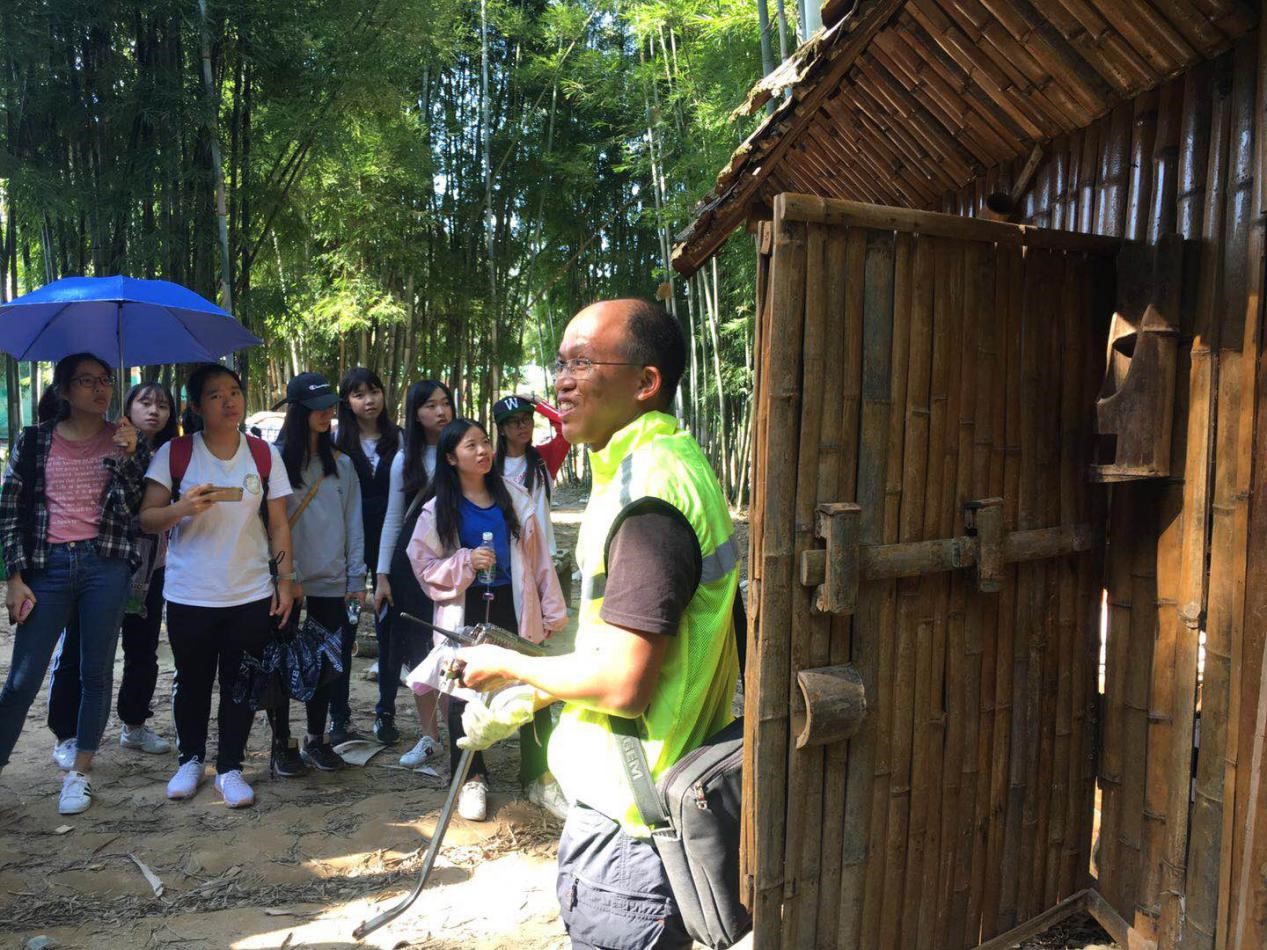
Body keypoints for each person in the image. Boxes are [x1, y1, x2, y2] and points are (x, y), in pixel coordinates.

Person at [452, 299, 741, 948]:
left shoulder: (647, 495)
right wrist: (539, 687)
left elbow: (623, 684)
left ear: (645, 381)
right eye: (561, 363)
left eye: (582, 363)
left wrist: (511, 665)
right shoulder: (675, 461)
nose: (561, 382)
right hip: (661, 792)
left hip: (630, 823)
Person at [139, 363, 296, 809]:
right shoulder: (175, 453)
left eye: (234, 392)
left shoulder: (263, 454)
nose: (229, 401)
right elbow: (147, 518)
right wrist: (181, 508)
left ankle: (229, 767)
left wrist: (286, 581)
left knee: (239, 682)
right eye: (215, 395)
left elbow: (279, 524)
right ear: (195, 405)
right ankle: (190, 760)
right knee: (192, 680)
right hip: (190, 591)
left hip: (249, 590)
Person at [0, 353, 150, 815]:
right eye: (86, 381)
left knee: (96, 673)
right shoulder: (34, 440)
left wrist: (130, 457)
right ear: (64, 390)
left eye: (104, 379)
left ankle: (80, 774)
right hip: (47, 568)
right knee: (22, 679)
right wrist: (14, 578)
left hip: (105, 566)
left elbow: (135, 510)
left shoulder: (126, 439)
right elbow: (10, 510)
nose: (99, 389)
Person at [407, 418, 567, 821]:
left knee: (533, 687)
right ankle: (471, 776)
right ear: (451, 458)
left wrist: (551, 608)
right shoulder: (438, 509)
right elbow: (423, 565)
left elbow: (539, 559)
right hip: (467, 609)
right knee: (463, 690)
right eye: (470, 446)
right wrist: (465, 562)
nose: (482, 452)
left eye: (483, 443)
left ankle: (538, 775)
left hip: (515, 605)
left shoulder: (514, 497)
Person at [47, 381, 180, 768]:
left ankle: (134, 724)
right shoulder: (105, 444)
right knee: (80, 647)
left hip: (151, 566)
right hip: (100, 563)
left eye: (162, 405)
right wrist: (127, 456)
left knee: (142, 649)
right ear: (128, 407)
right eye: (145, 402)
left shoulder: (171, 454)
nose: (154, 410)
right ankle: (67, 733)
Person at [268, 372, 366, 774]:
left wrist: (356, 578)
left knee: (326, 663)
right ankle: (281, 743)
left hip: (331, 580)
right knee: (279, 662)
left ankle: (317, 738)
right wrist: (282, 577)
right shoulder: (272, 460)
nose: (327, 414)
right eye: (318, 408)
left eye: (330, 407)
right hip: (284, 581)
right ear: (297, 411)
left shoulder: (342, 463)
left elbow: (354, 523)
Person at [372, 380, 453, 766]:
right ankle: (429, 736)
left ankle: (463, 736)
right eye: (430, 405)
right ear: (415, 414)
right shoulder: (405, 460)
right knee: (420, 651)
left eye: (445, 403)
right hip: (411, 568)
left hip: (456, 568)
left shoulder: (464, 449)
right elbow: (393, 519)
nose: (440, 411)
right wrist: (382, 575)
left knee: (454, 651)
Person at [334, 367, 401, 744]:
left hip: (392, 544)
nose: (369, 400)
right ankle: (338, 715)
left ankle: (386, 712)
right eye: (358, 394)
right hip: (347, 545)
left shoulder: (400, 439)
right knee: (343, 629)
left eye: (374, 391)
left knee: (389, 628)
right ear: (346, 402)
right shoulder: (335, 441)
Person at [492, 394, 569, 557]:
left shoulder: (545, 457)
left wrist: (539, 403)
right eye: (514, 421)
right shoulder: (489, 464)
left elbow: (566, 429)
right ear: (501, 429)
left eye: (526, 419)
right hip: (505, 553)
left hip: (541, 554)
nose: (522, 426)